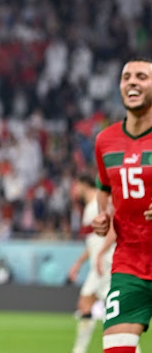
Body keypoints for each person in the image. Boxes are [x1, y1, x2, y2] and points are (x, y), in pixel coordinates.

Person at [92, 58, 152, 353]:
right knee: (116, 349)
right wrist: (102, 216)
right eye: (127, 77)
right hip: (129, 263)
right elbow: (104, 190)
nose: (132, 82)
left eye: (142, 77)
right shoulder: (105, 140)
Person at [68, 174, 116, 353]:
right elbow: (93, 241)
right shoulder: (89, 207)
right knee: (86, 304)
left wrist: (102, 254)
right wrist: (78, 263)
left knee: (111, 311)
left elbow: (112, 228)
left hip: (105, 264)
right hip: (99, 264)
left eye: (74, 186)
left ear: (82, 184)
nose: (72, 191)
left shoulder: (98, 202)